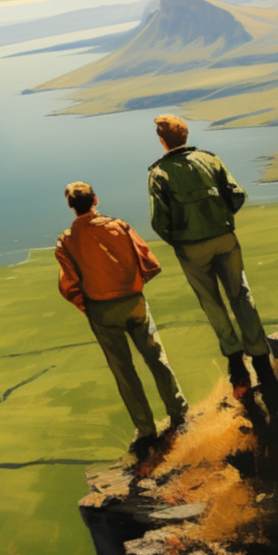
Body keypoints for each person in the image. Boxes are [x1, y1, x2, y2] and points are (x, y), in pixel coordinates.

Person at [146, 113, 274, 400]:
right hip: (225, 238)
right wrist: (222, 219)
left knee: (211, 302)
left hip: (192, 248)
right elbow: (237, 195)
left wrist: (179, 241)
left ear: (162, 140)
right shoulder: (210, 159)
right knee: (240, 295)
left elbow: (159, 221)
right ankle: (262, 363)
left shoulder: (159, 173)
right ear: (186, 135)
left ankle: (236, 366)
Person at [55, 181, 187, 453]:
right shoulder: (121, 226)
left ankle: (146, 430)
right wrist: (133, 286)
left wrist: (85, 305)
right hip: (133, 302)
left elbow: (69, 284)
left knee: (123, 371)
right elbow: (150, 263)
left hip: (100, 310)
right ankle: (179, 414)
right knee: (156, 358)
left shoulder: (66, 241)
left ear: (70, 206)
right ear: (95, 199)